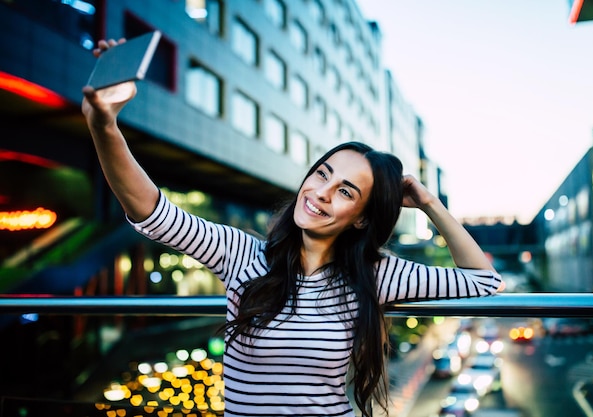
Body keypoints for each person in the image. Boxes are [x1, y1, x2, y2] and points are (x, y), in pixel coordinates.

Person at [82, 39, 502, 417]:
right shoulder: (242, 254)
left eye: (345, 191)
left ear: (361, 218)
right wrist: (105, 126)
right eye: (322, 174)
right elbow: (152, 212)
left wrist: (430, 205)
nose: (320, 192)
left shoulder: (375, 274)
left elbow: (484, 282)